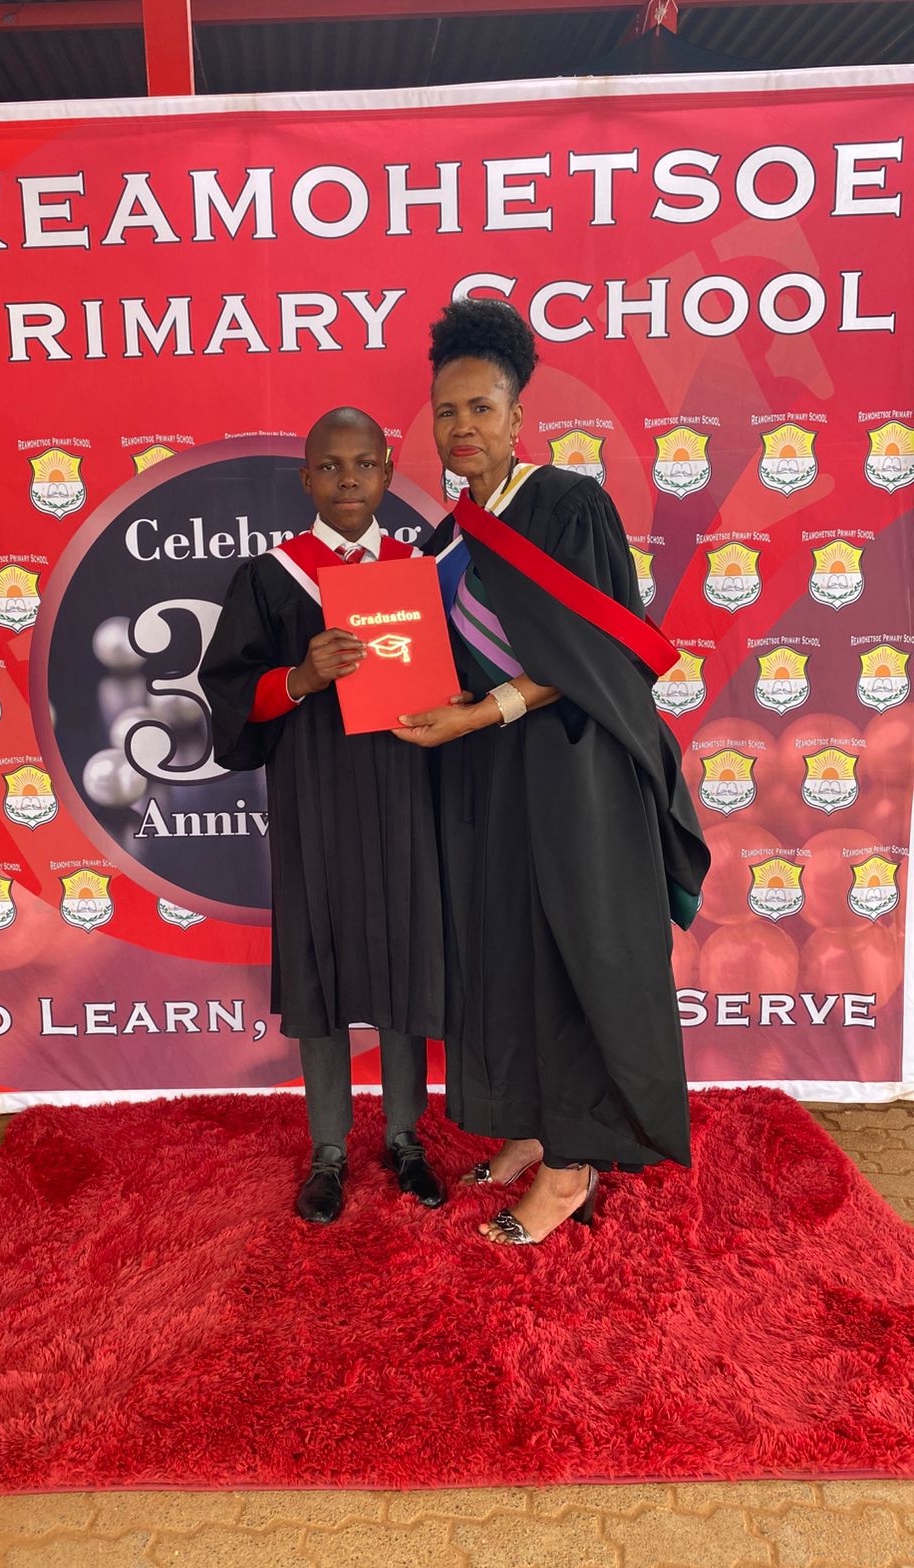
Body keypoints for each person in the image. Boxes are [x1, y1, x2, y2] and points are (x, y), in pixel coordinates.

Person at [394, 299, 709, 1247]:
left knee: (570, 955)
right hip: (491, 777)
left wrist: (480, 710)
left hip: (575, 773)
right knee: (506, 949)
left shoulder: (568, 506)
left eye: (481, 408)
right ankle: (533, 1126)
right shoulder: (450, 533)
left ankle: (572, 1168)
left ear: (518, 415)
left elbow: (598, 657)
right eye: (447, 412)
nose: (462, 427)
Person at [199, 408, 447, 1224]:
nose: (349, 480)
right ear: (307, 480)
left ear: (387, 473)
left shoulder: (418, 572)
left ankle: (406, 1137)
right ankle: (329, 1148)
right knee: (319, 962)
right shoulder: (271, 578)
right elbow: (229, 692)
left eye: (365, 464)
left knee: (408, 959)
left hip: (408, 795)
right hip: (315, 799)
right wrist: (301, 677)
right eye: (332, 467)